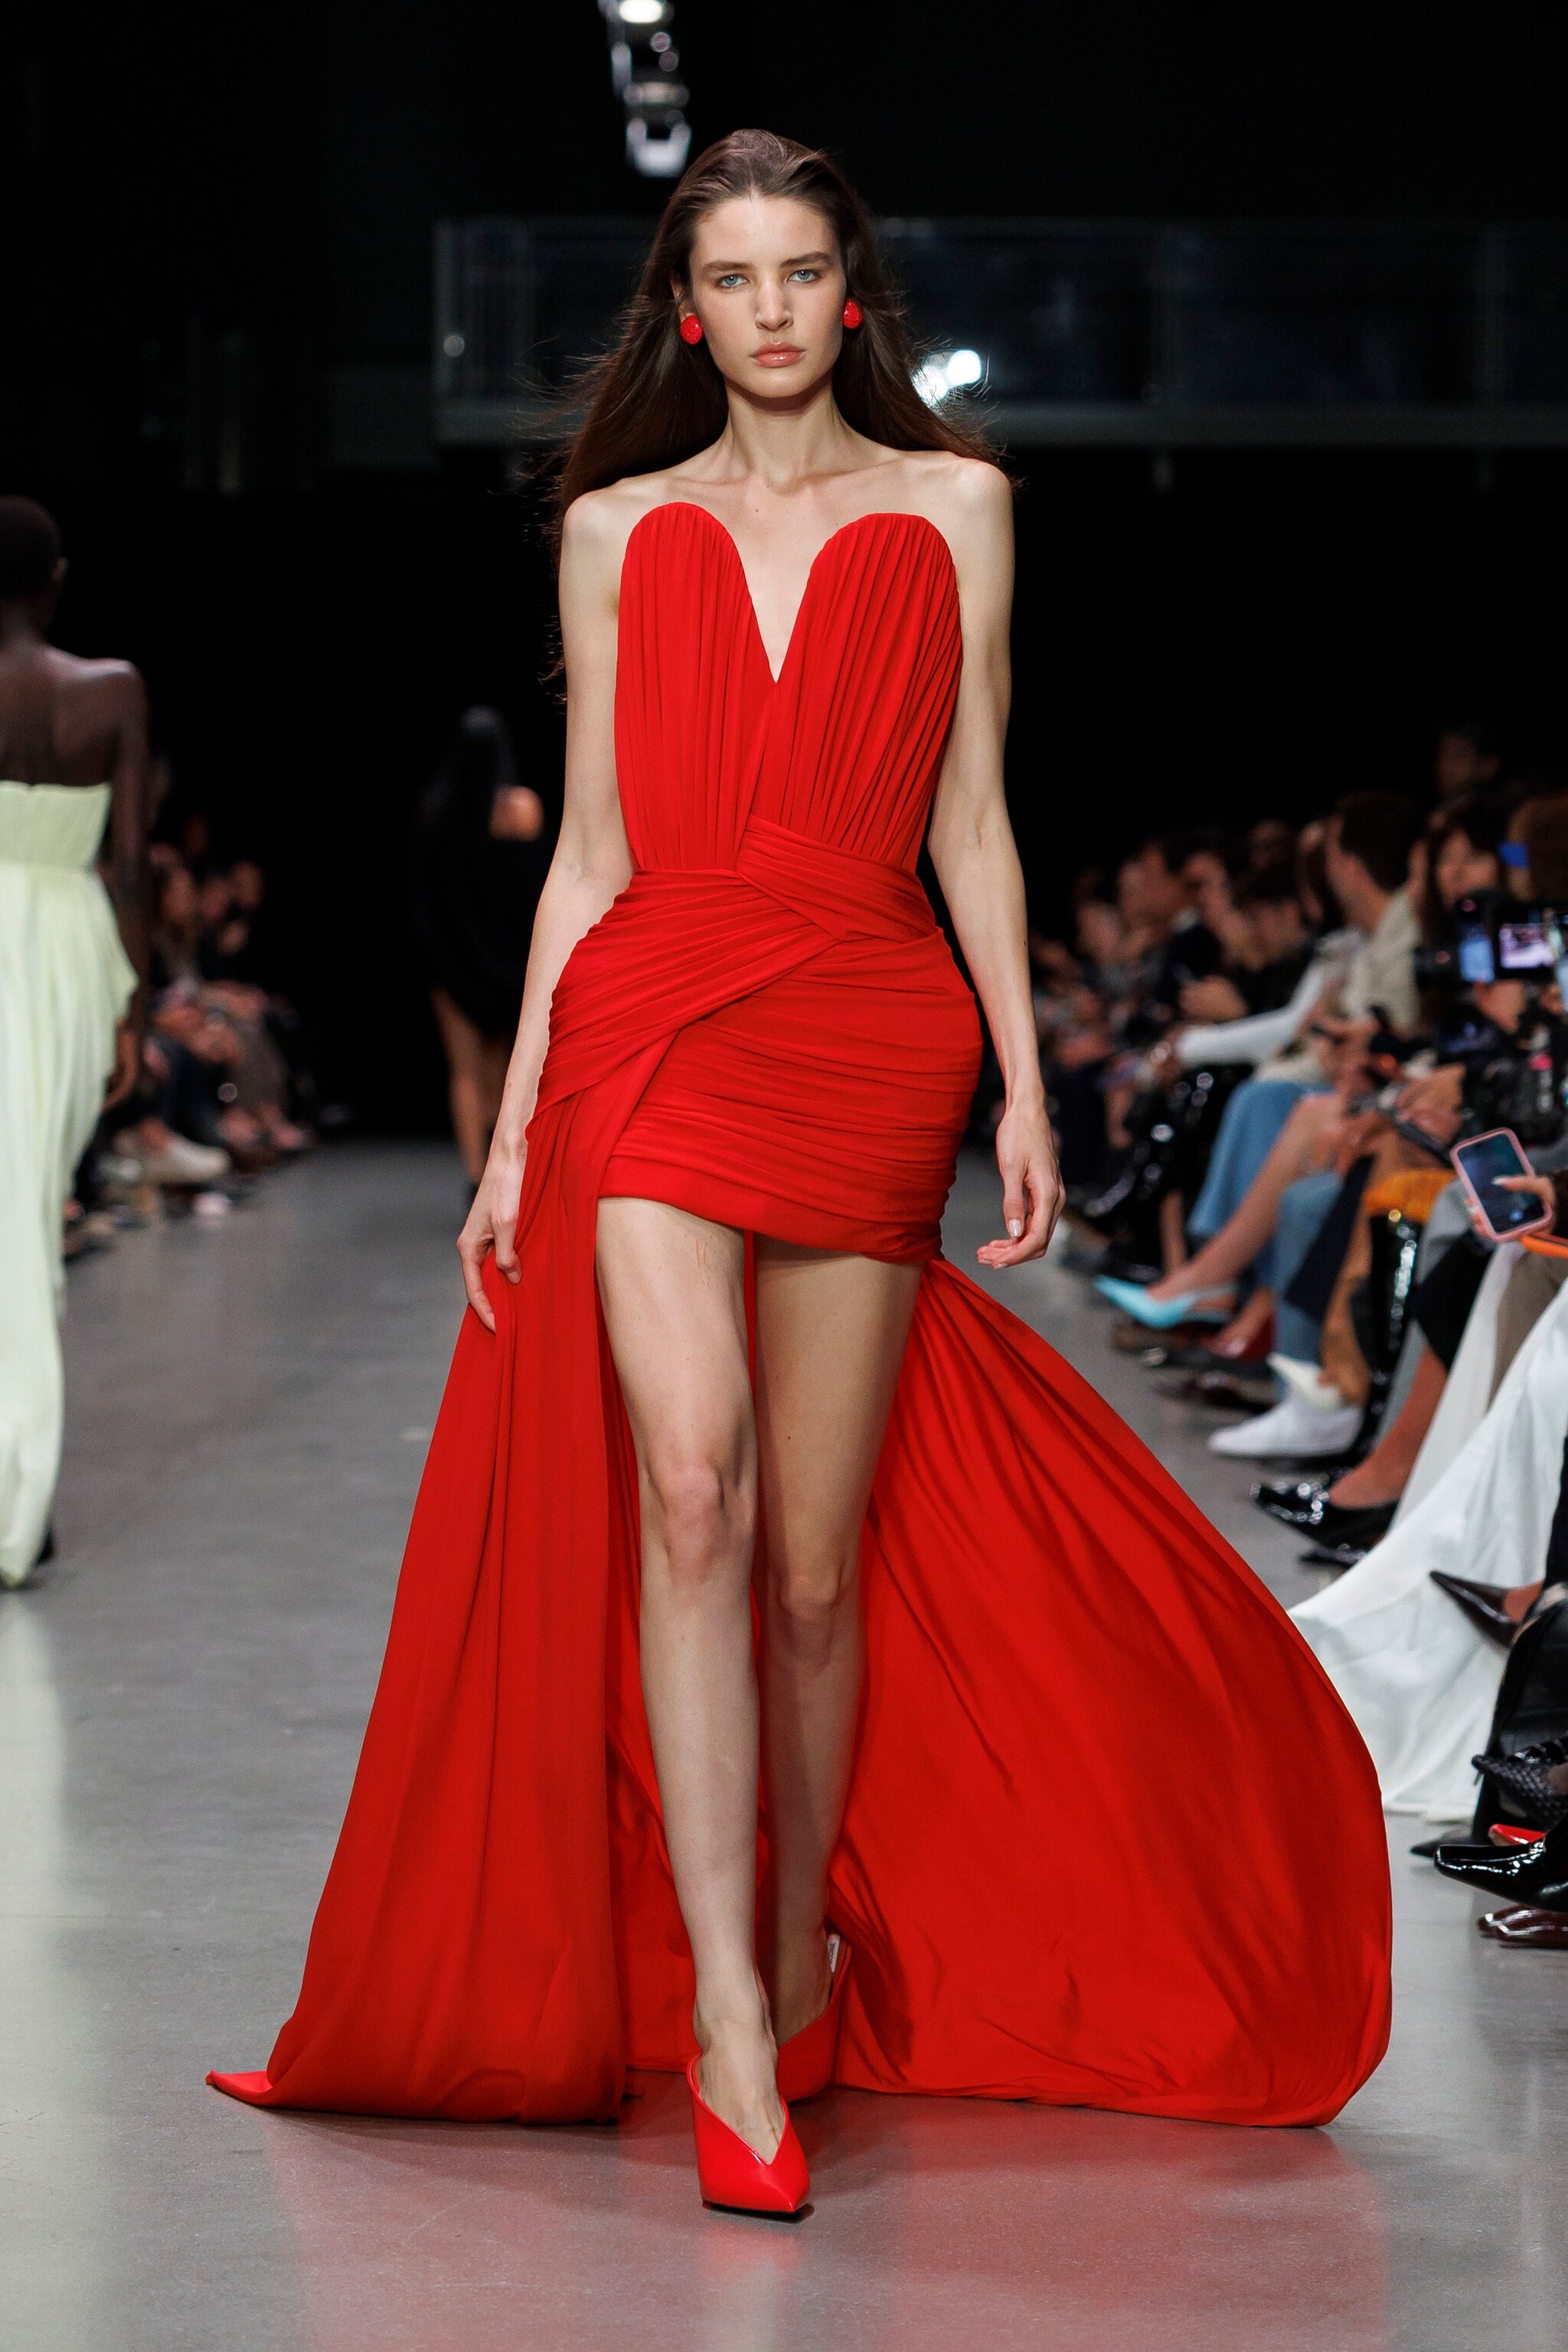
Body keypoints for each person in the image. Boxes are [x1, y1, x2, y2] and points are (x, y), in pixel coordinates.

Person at [208, 130, 1390, 2211]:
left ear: (853, 296)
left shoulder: (956, 506)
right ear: (688, 313)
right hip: (654, 1024)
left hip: (866, 1023)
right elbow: (588, 853)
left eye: (799, 273)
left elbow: (974, 819)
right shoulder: (611, 525)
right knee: (694, 1485)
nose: (767, 310)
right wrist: (515, 1132)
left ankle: (798, 1935)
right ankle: (731, 2025)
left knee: (815, 1572)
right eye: (731, 278)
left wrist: (1022, 1083)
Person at [0, 496, 145, 1586]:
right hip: (66, 953)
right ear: (53, 582)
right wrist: (130, 1007)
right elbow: (129, 863)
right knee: (31, 1204)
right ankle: (22, 1488)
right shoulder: (111, 690)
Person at [409, 707, 551, 1186]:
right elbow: (529, 895)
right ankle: (502, 1176)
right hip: (507, 965)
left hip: (452, 966)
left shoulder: (434, 812)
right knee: (506, 1070)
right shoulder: (520, 810)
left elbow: (425, 900)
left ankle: (475, 1178)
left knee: (464, 1073)